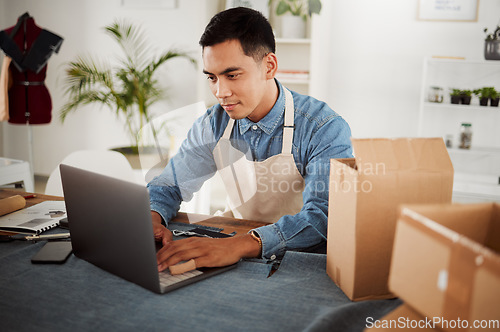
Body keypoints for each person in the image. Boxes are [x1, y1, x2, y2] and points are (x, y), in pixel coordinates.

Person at [148, 7, 352, 272]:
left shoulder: (323, 127)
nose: (220, 92)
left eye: (232, 75)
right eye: (212, 77)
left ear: (269, 66)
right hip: (238, 247)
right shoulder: (213, 124)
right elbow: (170, 185)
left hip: (303, 259)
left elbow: (322, 219)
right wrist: (152, 218)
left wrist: (238, 246)